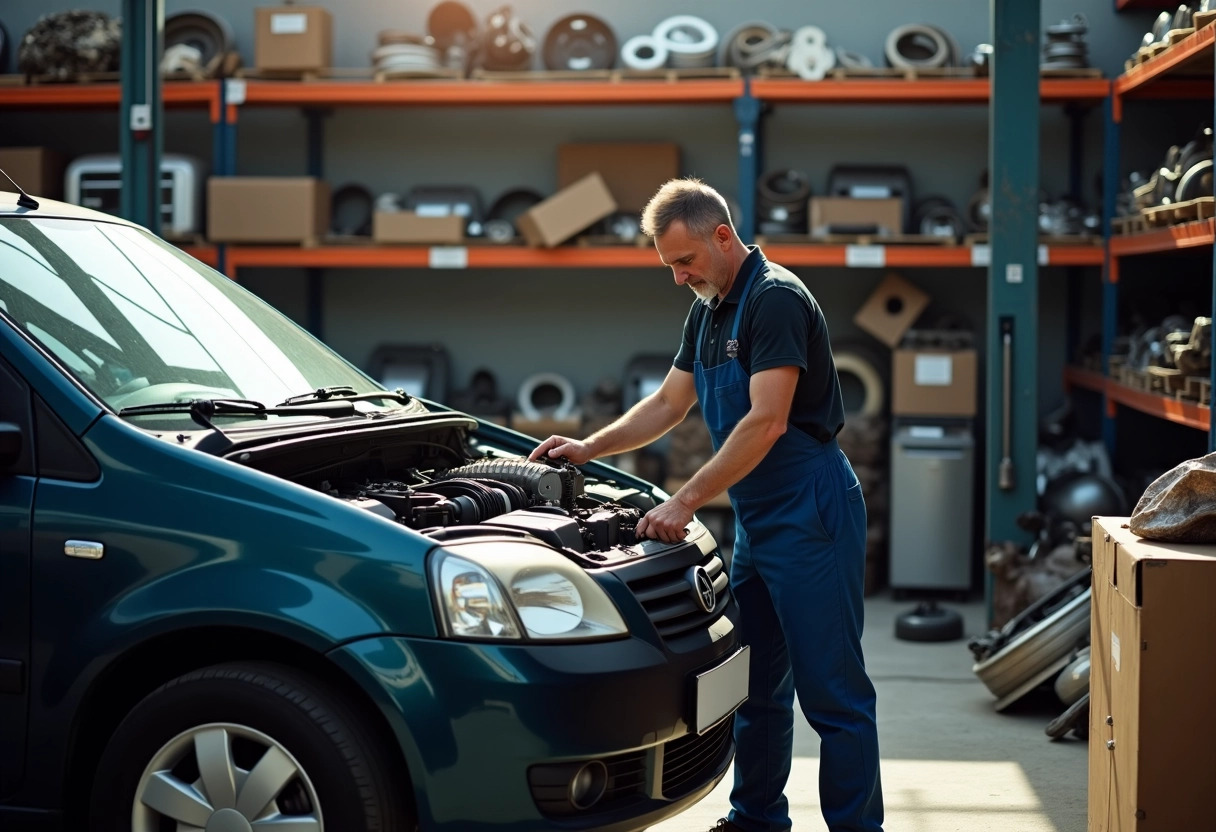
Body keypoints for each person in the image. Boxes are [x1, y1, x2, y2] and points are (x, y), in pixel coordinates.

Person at [528, 178, 883, 832]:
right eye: (668, 265)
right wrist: (590, 446)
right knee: (753, 685)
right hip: (758, 517)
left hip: (810, 507)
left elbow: (766, 421)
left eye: (683, 261)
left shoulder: (773, 301)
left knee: (833, 696)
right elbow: (669, 403)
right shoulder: (708, 306)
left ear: (723, 236)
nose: (677, 277)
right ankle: (755, 821)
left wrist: (685, 500)